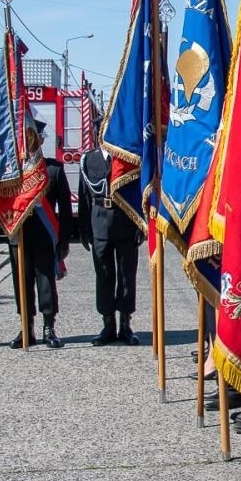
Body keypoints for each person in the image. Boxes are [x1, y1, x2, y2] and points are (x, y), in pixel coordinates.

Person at [7, 118, 75, 349]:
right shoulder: (12, 173)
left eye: (33, 138)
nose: (29, 144)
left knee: (46, 282)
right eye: (25, 140)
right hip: (20, 235)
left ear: (40, 140)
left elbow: (65, 210)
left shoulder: (53, 170)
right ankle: (26, 327)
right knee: (21, 282)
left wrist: (64, 240)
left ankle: (49, 326)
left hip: (45, 236)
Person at [77, 140, 144, 346]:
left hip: (125, 222)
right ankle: (108, 324)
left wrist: (140, 225)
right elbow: (84, 196)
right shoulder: (89, 158)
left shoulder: (127, 157)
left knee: (126, 276)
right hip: (99, 223)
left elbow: (138, 192)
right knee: (104, 275)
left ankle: (125, 324)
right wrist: (84, 230)